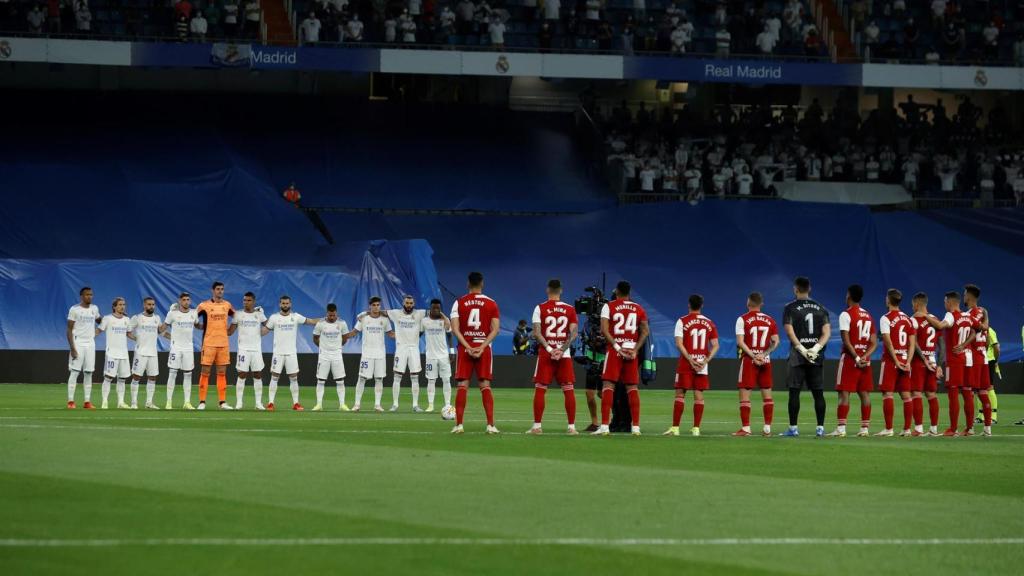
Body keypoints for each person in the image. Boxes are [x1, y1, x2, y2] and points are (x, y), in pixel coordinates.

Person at [592, 280, 649, 436]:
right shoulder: (639, 308)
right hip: (631, 351)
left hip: (615, 351)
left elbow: (604, 330)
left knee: (608, 385)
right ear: (629, 292)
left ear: (616, 291)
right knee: (632, 388)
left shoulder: (608, 306)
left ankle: (604, 427)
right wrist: (636, 349)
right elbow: (645, 331)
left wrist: (617, 347)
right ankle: (636, 427)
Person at [450, 271, 502, 434]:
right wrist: (482, 346)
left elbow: (455, 329)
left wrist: (467, 346)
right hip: (484, 349)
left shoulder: (459, 302)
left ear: (468, 284)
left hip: (465, 349)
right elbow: (496, 330)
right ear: (482, 284)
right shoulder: (491, 303)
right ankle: (490, 425)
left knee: (462, 385)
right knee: (485, 385)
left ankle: (459, 425)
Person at [528, 279, 579, 435]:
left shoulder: (540, 308)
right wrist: (561, 350)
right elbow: (574, 334)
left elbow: (537, 333)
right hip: (564, 355)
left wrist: (551, 349)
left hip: (546, 353)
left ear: (547, 290)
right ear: (561, 291)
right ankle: (571, 427)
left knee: (541, 389)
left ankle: (537, 427)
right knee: (568, 389)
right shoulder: (570, 309)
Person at [781, 277, 830, 437]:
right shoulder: (821, 308)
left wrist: (802, 349)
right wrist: (814, 349)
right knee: (818, 393)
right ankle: (820, 429)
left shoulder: (790, 307)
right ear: (810, 289)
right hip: (816, 357)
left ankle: (793, 429)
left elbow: (789, 331)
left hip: (797, 357)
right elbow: (827, 333)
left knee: (794, 392)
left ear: (795, 289)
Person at [666, 294, 719, 437]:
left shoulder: (682, 321)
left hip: (686, 363)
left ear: (689, 305)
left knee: (680, 394)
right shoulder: (710, 323)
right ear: (702, 305)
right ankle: (696, 429)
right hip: (702, 363)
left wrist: (690, 359)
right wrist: (705, 361)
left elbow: (679, 343)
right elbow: (715, 345)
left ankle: (675, 428)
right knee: (699, 395)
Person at [827, 284, 876, 438]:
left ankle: (841, 429)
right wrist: (865, 356)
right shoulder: (868, 315)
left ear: (848, 295)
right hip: (865, 360)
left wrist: (856, 357)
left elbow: (846, 340)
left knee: (844, 394)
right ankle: (865, 429)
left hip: (850, 359)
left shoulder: (845, 314)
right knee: (865, 394)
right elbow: (874, 342)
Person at [923, 291, 975, 436]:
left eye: (945, 301)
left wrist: (925, 315)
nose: (944, 304)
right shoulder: (967, 316)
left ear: (951, 302)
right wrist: (964, 344)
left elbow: (940, 325)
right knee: (967, 393)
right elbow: (977, 330)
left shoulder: (951, 315)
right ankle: (970, 429)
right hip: (968, 359)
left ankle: (953, 429)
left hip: (955, 360)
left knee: (953, 394)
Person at [733, 292, 779, 437]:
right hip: (765, 360)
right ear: (761, 304)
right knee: (767, 395)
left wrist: (753, 355)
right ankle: (767, 428)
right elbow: (775, 341)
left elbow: (740, 342)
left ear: (748, 303)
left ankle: (746, 428)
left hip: (749, 360)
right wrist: (764, 355)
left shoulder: (743, 319)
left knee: (745, 394)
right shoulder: (770, 320)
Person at [261, 295, 319, 411]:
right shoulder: (274, 318)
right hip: (278, 353)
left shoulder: (296, 317)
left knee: (294, 378)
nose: (285, 305)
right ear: (279, 304)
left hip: (291, 353)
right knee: (274, 377)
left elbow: (311, 321)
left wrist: (325, 319)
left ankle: (296, 403)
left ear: (290, 304)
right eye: (283, 303)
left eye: (287, 303)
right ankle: (271, 403)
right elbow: (263, 332)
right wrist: (259, 318)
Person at [877, 289, 915, 437]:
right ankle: (906, 429)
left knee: (888, 394)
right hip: (906, 360)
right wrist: (908, 361)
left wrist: (896, 360)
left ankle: (889, 429)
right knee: (906, 395)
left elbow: (888, 342)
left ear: (888, 300)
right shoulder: (908, 319)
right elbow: (912, 343)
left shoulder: (885, 318)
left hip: (891, 361)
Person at [348, 296, 394, 413]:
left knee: (379, 379)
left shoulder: (385, 320)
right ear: (370, 306)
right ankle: (357, 404)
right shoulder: (363, 318)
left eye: (378, 305)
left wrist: (405, 335)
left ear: (380, 306)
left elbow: (390, 334)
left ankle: (377, 405)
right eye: (374, 305)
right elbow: (354, 332)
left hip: (380, 355)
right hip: (367, 354)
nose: (376, 307)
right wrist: (343, 336)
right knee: (362, 378)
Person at [195, 281, 235, 411]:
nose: (220, 291)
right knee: (205, 372)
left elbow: (238, 317)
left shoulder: (227, 305)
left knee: (222, 373)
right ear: (213, 290)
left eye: (222, 289)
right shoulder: (204, 305)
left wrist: (230, 331)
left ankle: (222, 402)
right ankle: (202, 402)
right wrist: (199, 325)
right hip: (209, 343)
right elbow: (193, 318)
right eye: (218, 289)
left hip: (223, 343)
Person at [383, 296, 428, 412]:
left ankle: (415, 405)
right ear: (403, 303)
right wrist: (364, 314)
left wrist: (445, 318)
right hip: (401, 349)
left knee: (415, 377)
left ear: (414, 304)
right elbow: (380, 312)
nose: (409, 305)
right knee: (397, 377)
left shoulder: (420, 313)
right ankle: (395, 404)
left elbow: (434, 311)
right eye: (407, 303)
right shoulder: (395, 313)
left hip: (414, 349)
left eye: (411, 303)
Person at [910, 292, 942, 436]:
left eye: (913, 305)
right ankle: (934, 429)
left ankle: (918, 428)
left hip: (918, 362)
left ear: (917, 304)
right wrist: (939, 364)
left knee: (916, 393)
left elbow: (914, 343)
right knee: (931, 394)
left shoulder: (914, 319)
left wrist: (923, 359)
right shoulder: (935, 320)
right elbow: (942, 346)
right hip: (933, 360)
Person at [964, 284, 993, 435]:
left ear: (969, 296)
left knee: (968, 391)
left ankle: (969, 429)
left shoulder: (970, 315)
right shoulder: (984, 311)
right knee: (983, 392)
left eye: (964, 294)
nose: (963, 297)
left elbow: (975, 332)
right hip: (984, 357)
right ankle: (987, 428)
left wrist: (962, 345)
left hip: (973, 358)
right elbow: (987, 338)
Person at [312, 303, 352, 412]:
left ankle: (342, 404)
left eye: (334, 315)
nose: (332, 317)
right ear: (327, 313)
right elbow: (315, 338)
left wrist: (338, 346)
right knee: (321, 380)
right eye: (330, 315)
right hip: (324, 355)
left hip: (337, 355)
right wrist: (322, 347)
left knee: (340, 380)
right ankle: (319, 404)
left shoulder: (342, 323)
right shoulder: (320, 323)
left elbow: (345, 338)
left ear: (336, 313)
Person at [66, 287, 102, 409]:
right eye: (87, 295)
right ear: (81, 296)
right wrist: (72, 348)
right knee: (75, 372)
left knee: (88, 372)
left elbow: (100, 321)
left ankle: (87, 401)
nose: (89, 297)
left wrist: (114, 317)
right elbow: (69, 329)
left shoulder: (94, 308)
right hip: (78, 343)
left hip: (91, 344)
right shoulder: (74, 309)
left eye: (91, 295)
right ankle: (71, 401)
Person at [163, 292, 198, 409]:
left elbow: (198, 326)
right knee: (172, 374)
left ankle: (187, 402)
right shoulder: (172, 314)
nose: (186, 302)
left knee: (188, 374)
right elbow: (162, 329)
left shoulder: (194, 313)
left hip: (188, 348)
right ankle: (169, 402)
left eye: (188, 299)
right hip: (176, 348)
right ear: (179, 301)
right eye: (184, 300)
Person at [233, 292, 267, 410]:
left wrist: (262, 332)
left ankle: (258, 403)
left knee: (257, 375)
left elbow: (270, 326)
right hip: (243, 350)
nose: (245, 302)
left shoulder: (259, 315)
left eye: (248, 300)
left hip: (256, 350)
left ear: (253, 301)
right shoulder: (238, 314)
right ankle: (239, 403)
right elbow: (230, 331)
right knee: (242, 374)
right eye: (244, 300)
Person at [128, 297, 162, 410]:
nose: (151, 306)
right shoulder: (137, 318)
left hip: (153, 352)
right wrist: (136, 339)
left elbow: (161, 332)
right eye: (149, 304)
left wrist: (173, 337)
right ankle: (133, 403)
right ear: (144, 305)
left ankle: (149, 402)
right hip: (140, 352)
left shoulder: (157, 318)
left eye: (153, 304)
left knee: (152, 377)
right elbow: (127, 331)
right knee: (136, 377)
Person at [98, 297, 132, 410]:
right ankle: (104, 401)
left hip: (124, 353)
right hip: (112, 353)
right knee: (108, 377)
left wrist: (140, 339)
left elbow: (129, 334)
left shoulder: (127, 319)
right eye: (120, 304)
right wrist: (87, 338)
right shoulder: (107, 319)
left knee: (122, 379)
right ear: (114, 307)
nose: (122, 306)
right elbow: (99, 330)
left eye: (124, 304)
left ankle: (121, 402)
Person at [422, 299, 453, 413]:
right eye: (434, 308)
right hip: (430, 356)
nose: (436, 310)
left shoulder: (444, 320)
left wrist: (452, 352)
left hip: (443, 355)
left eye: (438, 308)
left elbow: (449, 335)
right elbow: (419, 333)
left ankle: (448, 405)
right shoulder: (424, 321)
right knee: (431, 380)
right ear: (430, 308)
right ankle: (430, 405)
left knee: (446, 380)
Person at [979, 326, 999, 425]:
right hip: (979, 361)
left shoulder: (990, 331)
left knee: (989, 387)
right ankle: (980, 415)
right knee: (979, 388)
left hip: (989, 361)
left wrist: (995, 361)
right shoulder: (976, 328)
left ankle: (993, 416)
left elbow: (996, 348)